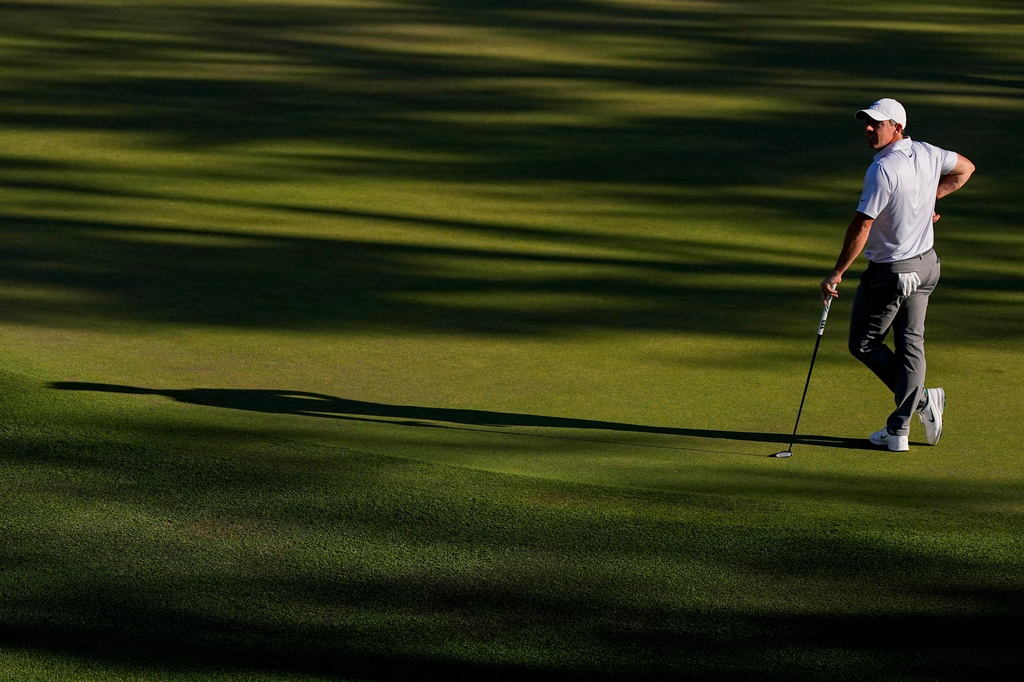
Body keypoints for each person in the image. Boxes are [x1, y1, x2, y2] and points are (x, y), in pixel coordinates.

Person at [820, 98, 975, 452]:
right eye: (868, 122)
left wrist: (837, 272)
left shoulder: (883, 169)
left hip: (892, 273)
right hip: (927, 266)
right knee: (910, 344)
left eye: (878, 123)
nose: (869, 128)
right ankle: (899, 431)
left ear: (897, 128)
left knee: (863, 343)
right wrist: (930, 200)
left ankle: (917, 404)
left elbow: (863, 223)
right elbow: (966, 168)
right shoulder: (929, 152)